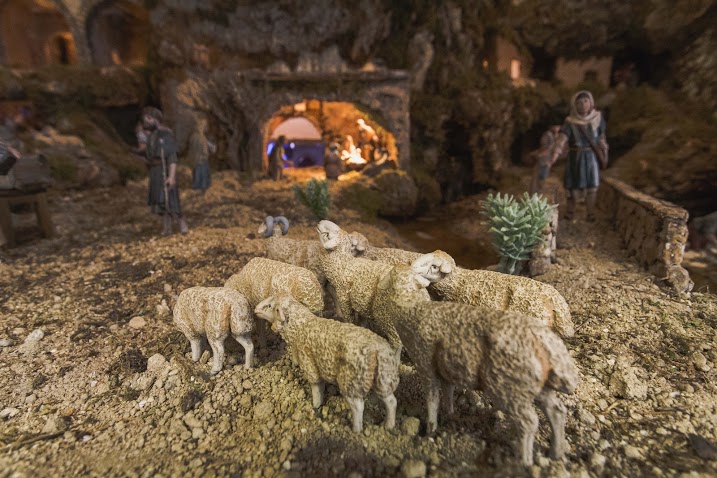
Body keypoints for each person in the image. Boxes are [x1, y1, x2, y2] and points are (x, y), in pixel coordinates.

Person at [549, 90, 608, 221]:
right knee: (571, 186)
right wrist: (554, 156)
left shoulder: (597, 119)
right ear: (574, 105)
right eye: (579, 102)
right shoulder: (570, 122)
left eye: (586, 101)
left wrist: (604, 151)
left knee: (592, 187)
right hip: (575, 158)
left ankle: (590, 214)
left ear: (591, 103)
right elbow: (561, 141)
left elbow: (601, 139)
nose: (583, 105)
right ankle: (570, 212)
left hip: (591, 158)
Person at [141, 106, 188, 235]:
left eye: (149, 118)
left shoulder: (165, 135)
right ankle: (167, 227)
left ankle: (182, 222)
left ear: (156, 120)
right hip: (155, 172)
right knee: (159, 200)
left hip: (164, 170)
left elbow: (172, 156)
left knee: (170, 199)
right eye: (145, 118)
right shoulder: (151, 137)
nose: (146, 121)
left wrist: (171, 176)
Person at [529, 125, 565, 196]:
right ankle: (534, 194)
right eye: (555, 126)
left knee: (543, 177)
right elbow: (544, 148)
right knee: (539, 177)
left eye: (558, 127)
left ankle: (537, 193)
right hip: (544, 159)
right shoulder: (547, 135)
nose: (557, 128)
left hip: (548, 160)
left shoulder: (557, 136)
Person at [188, 116, 213, 194]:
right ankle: (201, 187)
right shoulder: (200, 137)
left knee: (197, 173)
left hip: (195, 159)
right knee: (202, 174)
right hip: (201, 159)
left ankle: (197, 186)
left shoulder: (193, 136)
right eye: (205, 126)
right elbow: (204, 149)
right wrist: (206, 154)